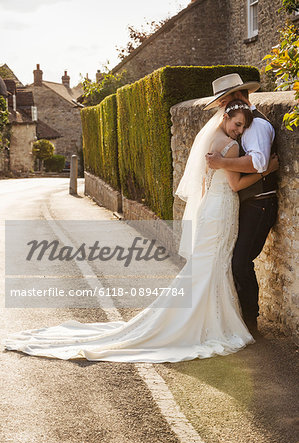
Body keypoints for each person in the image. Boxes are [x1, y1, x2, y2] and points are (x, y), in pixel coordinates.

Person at [4, 100, 278, 363]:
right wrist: (268, 171)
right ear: (226, 116)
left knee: (207, 266)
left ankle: (207, 317)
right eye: (237, 124)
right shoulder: (229, 147)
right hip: (220, 211)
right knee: (213, 265)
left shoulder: (210, 140)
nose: (239, 131)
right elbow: (235, 185)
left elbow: (206, 186)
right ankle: (211, 321)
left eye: (242, 127)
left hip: (212, 210)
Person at [204, 73, 278, 333]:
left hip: (260, 202)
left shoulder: (256, 125)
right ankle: (236, 316)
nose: (223, 107)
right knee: (232, 260)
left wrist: (222, 162)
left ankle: (251, 321)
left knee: (240, 261)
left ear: (236, 96)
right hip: (245, 202)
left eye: (224, 100)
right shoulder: (241, 123)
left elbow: (258, 163)